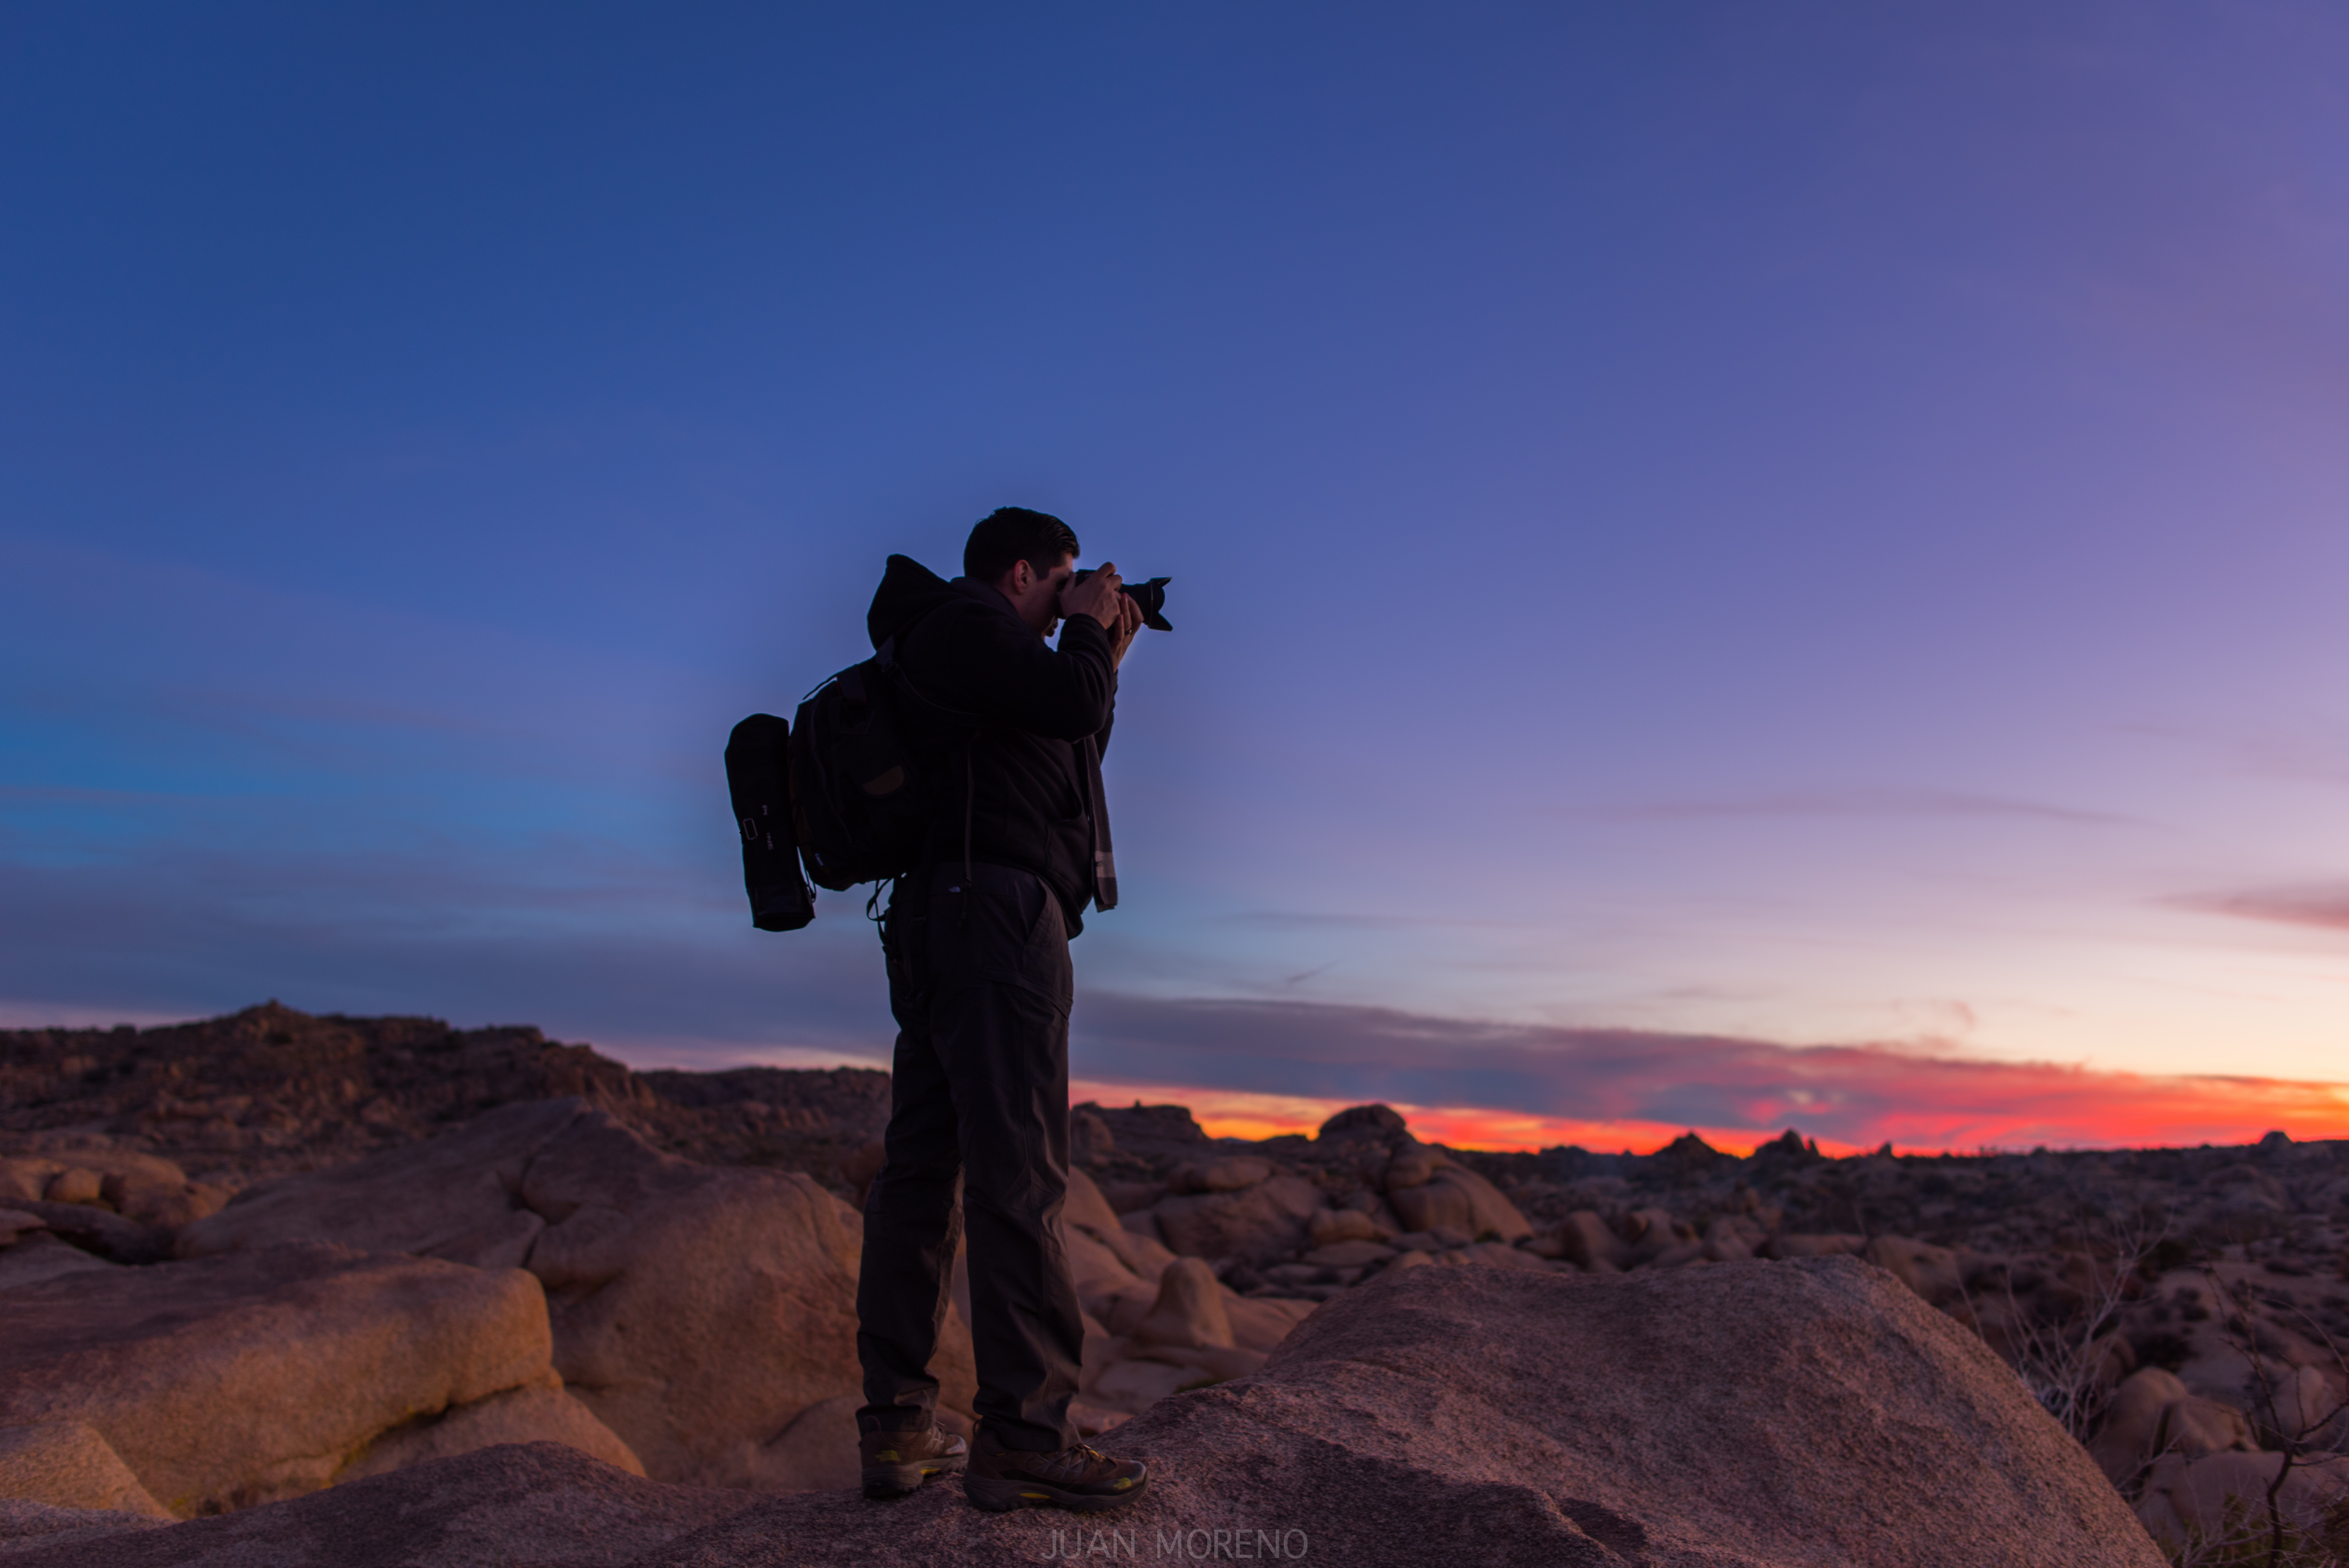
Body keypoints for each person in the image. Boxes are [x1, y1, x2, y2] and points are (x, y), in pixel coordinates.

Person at [852, 506, 1150, 1513]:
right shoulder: (969, 626)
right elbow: (1069, 706)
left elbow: (1072, 752)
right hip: (994, 925)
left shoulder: (958, 652)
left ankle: (898, 1429)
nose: (1080, 598)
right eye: (1066, 579)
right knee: (1017, 1181)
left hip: (948, 921)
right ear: (1024, 572)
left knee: (924, 1174)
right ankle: (1025, 1436)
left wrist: (1103, 648)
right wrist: (1082, 632)